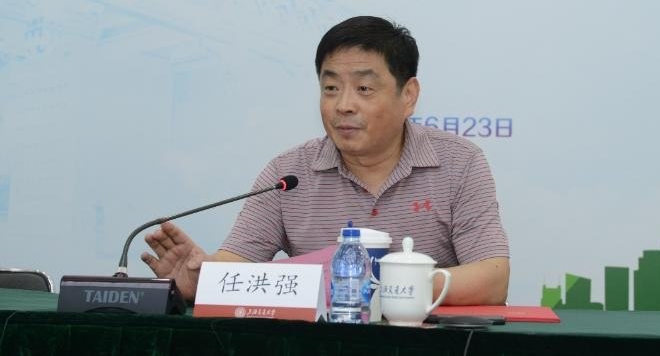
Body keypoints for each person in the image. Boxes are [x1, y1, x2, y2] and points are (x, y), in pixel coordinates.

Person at [142, 16, 510, 304]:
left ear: (408, 95)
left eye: (364, 88)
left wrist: (377, 287)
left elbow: (493, 278)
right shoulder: (288, 174)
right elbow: (238, 263)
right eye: (330, 88)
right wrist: (204, 277)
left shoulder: (459, 163)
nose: (343, 105)